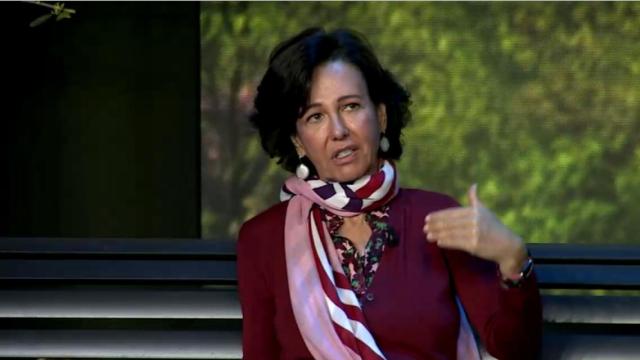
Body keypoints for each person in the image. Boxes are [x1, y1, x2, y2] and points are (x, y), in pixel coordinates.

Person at [237, 27, 542, 360]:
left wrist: (513, 258)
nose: (338, 131)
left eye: (350, 107)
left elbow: (516, 350)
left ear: (380, 116)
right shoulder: (263, 239)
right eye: (315, 116)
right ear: (297, 140)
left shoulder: (436, 218)